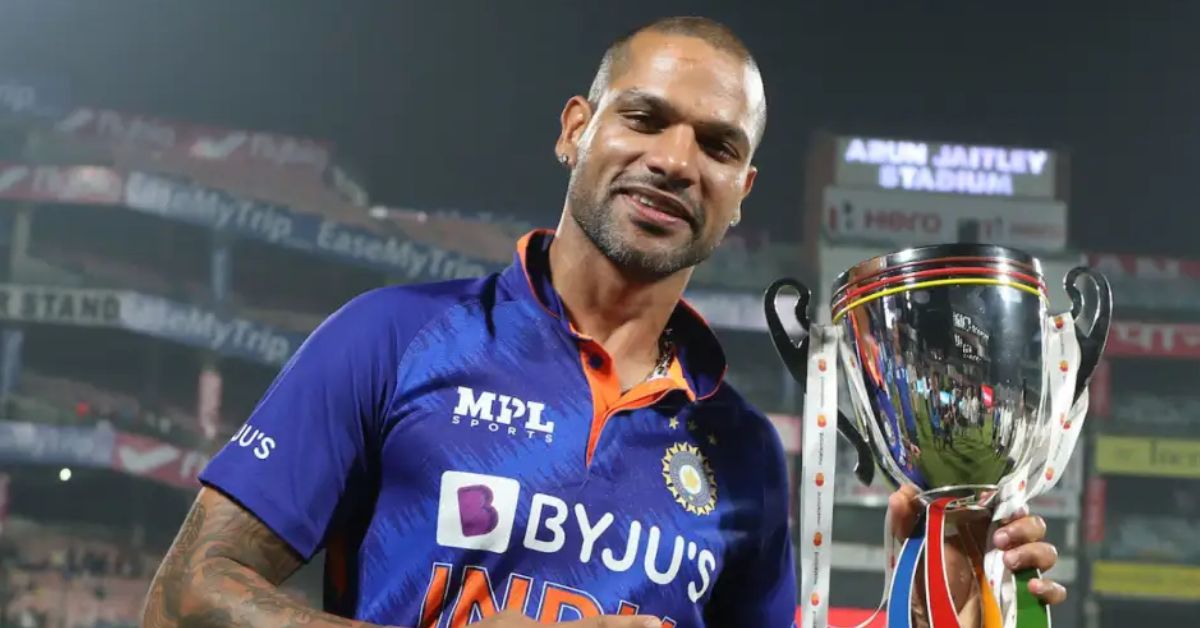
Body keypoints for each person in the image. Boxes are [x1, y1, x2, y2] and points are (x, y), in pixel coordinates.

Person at [141, 16, 1065, 628]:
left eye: (717, 145)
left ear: (741, 191)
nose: (676, 161)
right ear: (575, 129)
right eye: (645, 119)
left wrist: (925, 596)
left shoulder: (742, 449)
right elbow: (186, 597)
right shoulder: (393, 338)